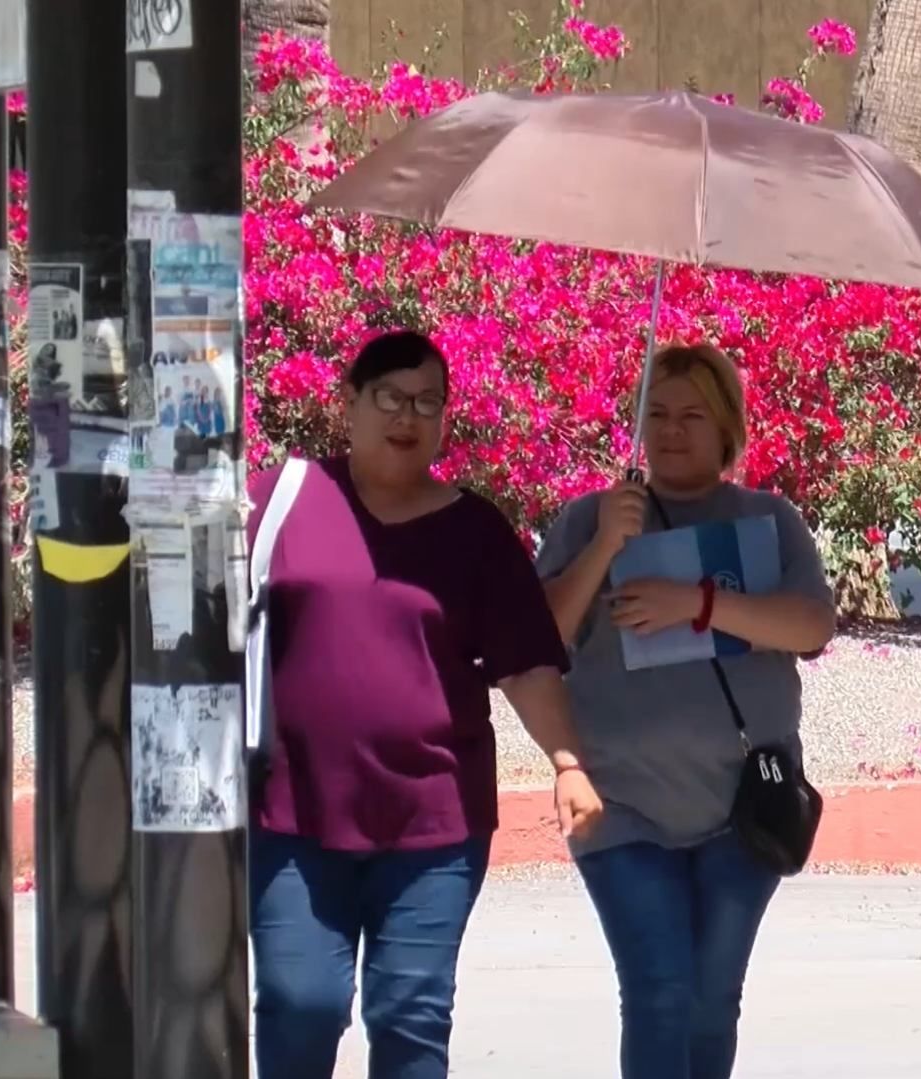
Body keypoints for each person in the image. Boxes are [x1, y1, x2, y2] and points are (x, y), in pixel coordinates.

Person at [246, 330, 603, 1079]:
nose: (410, 416)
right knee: (298, 1000)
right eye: (391, 397)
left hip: (435, 824)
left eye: (429, 402)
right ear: (348, 404)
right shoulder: (278, 501)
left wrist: (568, 761)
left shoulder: (476, 531)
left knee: (411, 1014)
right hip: (293, 817)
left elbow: (527, 663)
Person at [535, 342, 837, 1079]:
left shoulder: (769, 519)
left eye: (692, 415)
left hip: (744, 806)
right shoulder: (590, 519)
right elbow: (538, 637)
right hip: (622, 805)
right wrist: (609, 541)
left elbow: (810, 627)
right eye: (658, 414)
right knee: (659, 992)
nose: (670, 430)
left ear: (726, 427)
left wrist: (697, 604)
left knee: (710, 999)